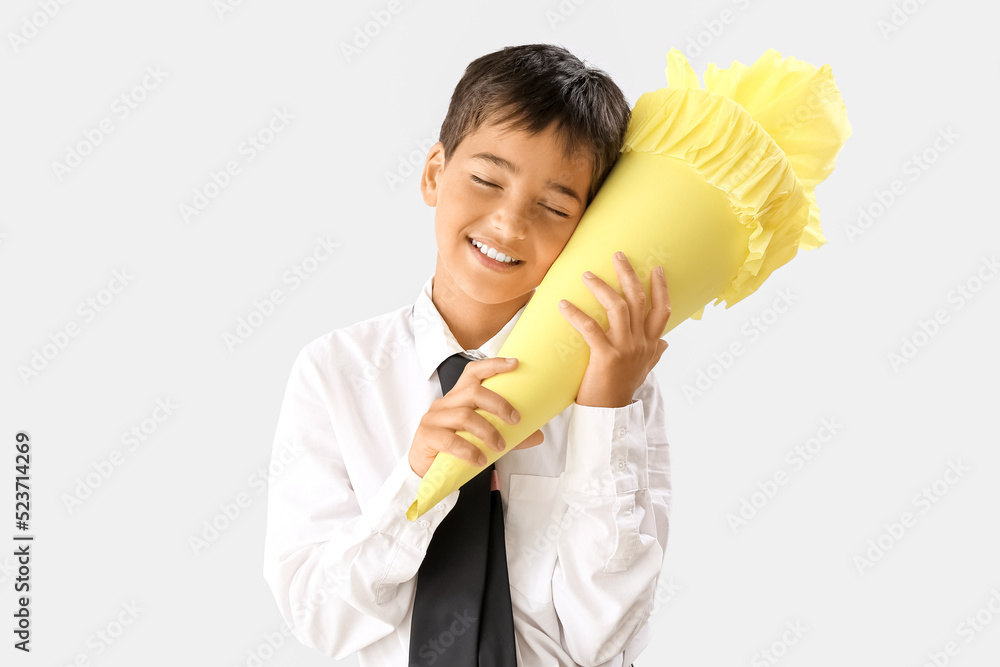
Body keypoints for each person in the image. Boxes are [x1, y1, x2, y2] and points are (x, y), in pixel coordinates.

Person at [262, 43, 673, 667]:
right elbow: (322, 617)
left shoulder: (614, 387)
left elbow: (606, 637)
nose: (510, 224)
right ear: (434, 174)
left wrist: (603, 411)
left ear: (587, 227)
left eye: (556, 207)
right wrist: (419, 479)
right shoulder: (336, 371)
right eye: (486, 180)